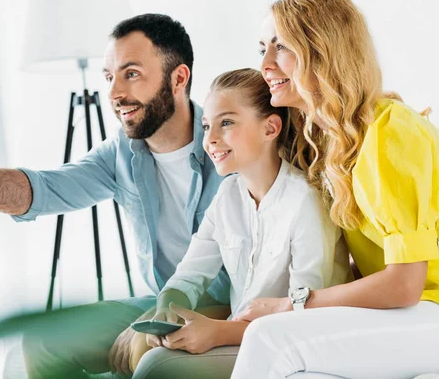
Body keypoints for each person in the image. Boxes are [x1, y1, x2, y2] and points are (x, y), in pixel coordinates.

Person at [0, 13, 231, 378]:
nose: (114, 94)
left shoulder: (231, 142)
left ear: (178, 78)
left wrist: (154, 320)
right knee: (43, 339)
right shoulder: (122, 154)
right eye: (110, 77)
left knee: (144, 348)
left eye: (131, 74)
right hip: (163, 302)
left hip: (228, 308)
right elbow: (43, 190)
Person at [230, 0, 439, 378]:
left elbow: (406, 283)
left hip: (430, 306)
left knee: (270, 338)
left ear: (323, 51)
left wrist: (291, 304)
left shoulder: (390, 132)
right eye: (262, 48)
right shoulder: (331, 142)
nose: (266, 65)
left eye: (282, 47)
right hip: (415, 310)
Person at [131, 68, 350, 378]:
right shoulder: (227, 196)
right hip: (245, 337)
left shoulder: (305, 202)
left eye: (227, 123)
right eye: (206, 126)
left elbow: (304, 312)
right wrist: (168, 308)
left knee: (157, 368)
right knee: (144, 349)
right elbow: (190, 275)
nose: (211, 139)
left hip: (295, 346)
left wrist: (219, 332)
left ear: (270, 128)